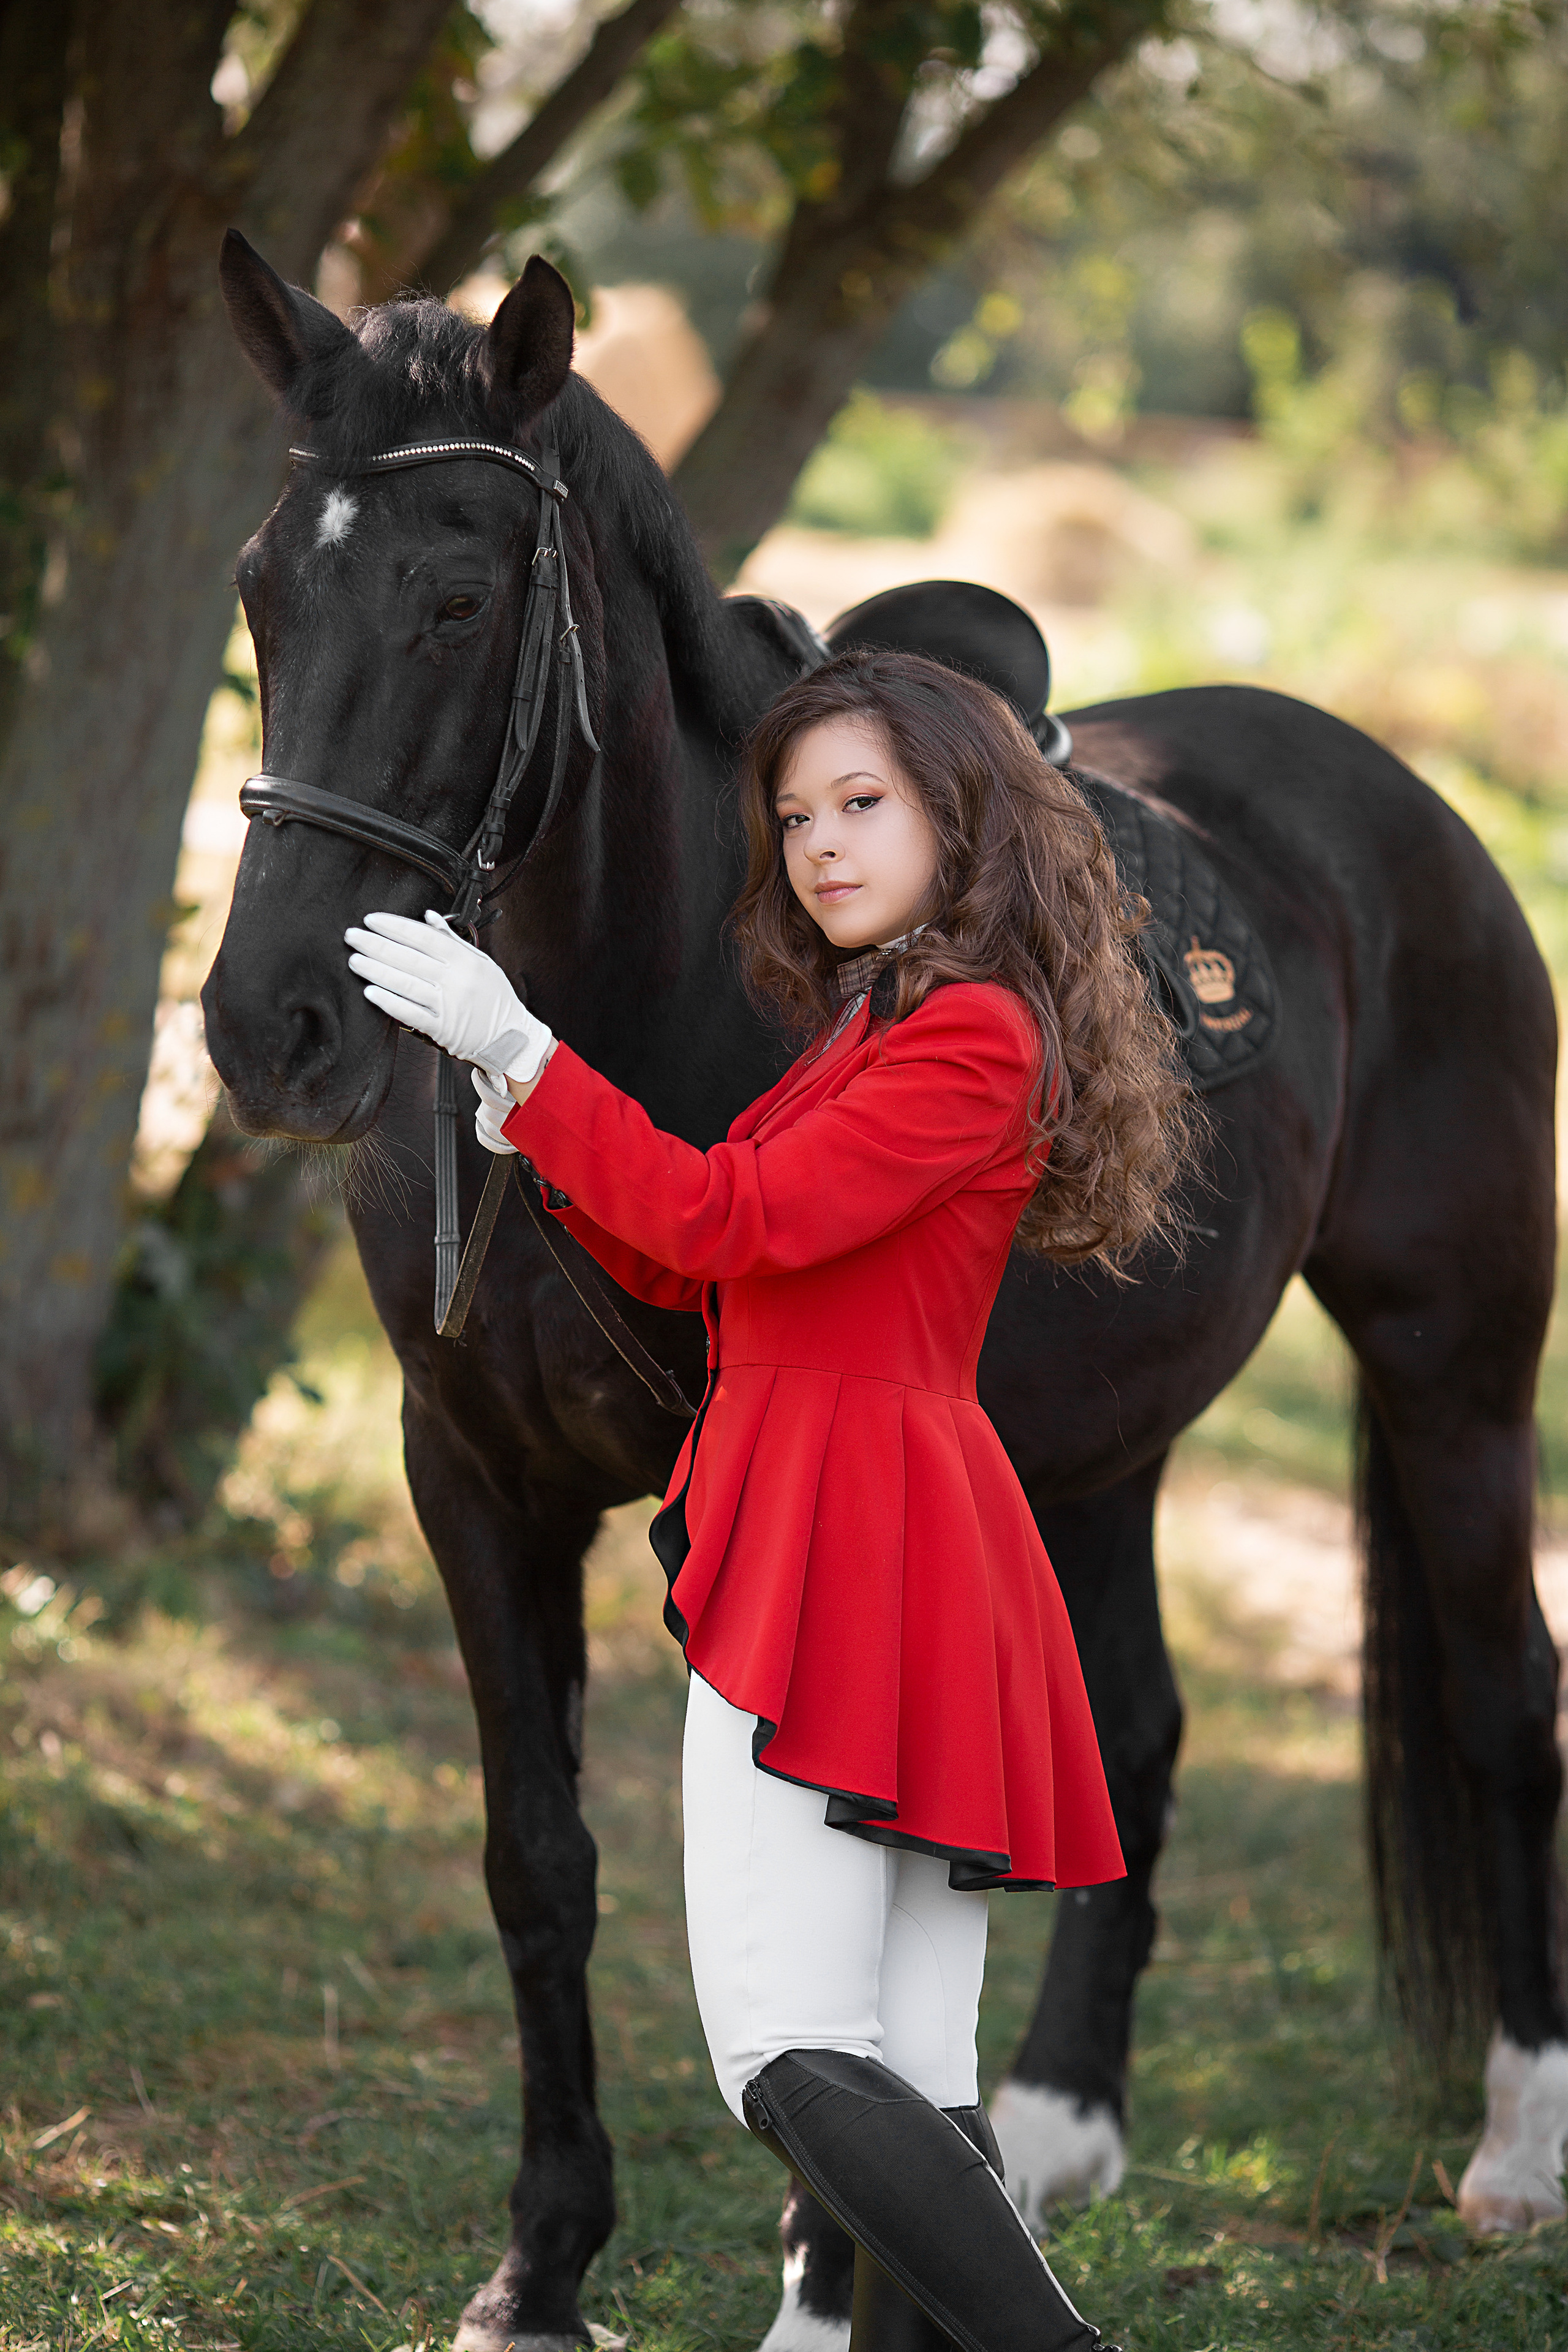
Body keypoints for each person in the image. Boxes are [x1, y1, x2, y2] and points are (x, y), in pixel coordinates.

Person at [345, 649, 1194, 2352]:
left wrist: (526, 1052)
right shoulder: (881, 1021)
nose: (819, 846)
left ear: (962, 815)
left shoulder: (968, 1034)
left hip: (850, 1530)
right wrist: (533, 1115)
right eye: (795, 817)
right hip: (892, 1520)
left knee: (785, 2048)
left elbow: (728, 1221)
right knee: (911, 2069)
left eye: (862, 804)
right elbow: (708, 1250)